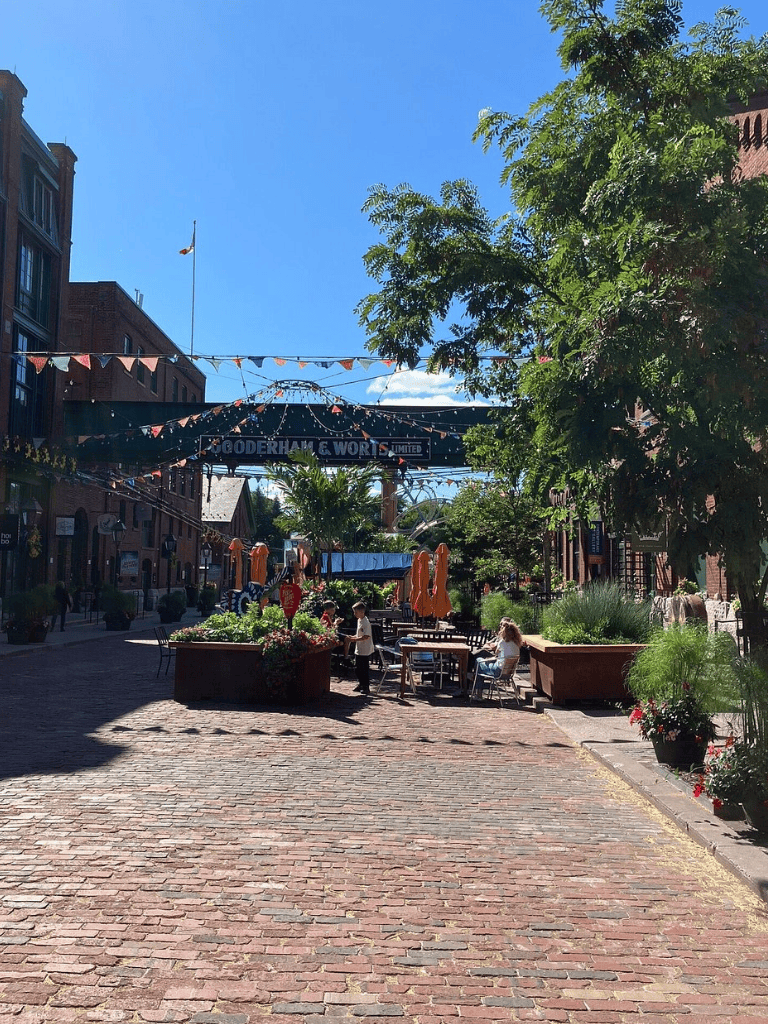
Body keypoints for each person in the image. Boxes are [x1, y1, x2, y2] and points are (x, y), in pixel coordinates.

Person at [473, 620, 522, 697]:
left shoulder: (502, 642)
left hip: (498, 671)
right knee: (484, 663)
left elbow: (496, 653)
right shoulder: (517, 644)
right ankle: (477, 689)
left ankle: (477, 693)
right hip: (508, 673)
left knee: (479, 661)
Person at [347, 600, 374, 694]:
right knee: (358, 669)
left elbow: (366, 636)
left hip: (365, 650)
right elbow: (359, 633)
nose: (354, 614)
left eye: (356, 612)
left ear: (362, 612)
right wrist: (353, 637)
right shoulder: (359, 620)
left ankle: (366, 686)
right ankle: (360, 683)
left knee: (363, 669)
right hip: (359, 649)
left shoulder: (366, 622)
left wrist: (355, 640)